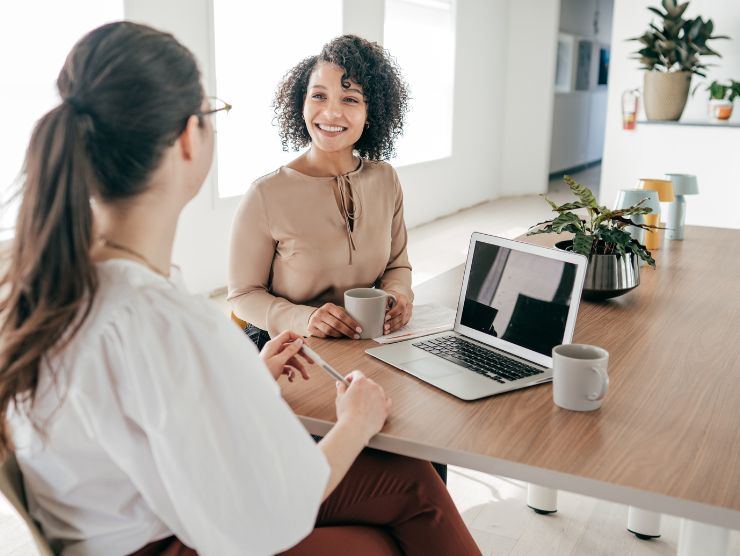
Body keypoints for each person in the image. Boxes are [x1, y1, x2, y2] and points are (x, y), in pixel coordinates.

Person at [0, 22, 480, 555]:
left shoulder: (46, 284)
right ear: (188, 137)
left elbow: (149, 413)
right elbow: (270, 516)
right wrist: (357, 422)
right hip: (178, 539)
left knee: (412, 483)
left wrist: (246, 377)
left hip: (139, 521)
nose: (332, 111)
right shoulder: (167, 318)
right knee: (401, 515)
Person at [228, 35, 414, 350]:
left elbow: (397, 265)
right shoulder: (266, 194)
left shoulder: (385, 179)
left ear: (372, 112)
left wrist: (399, 296)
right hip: (286, 348)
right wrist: (305, 319)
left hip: (362, 343)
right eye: (318, 96)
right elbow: (243, 296)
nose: (330, 113)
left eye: (350, 99)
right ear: (301, 103)